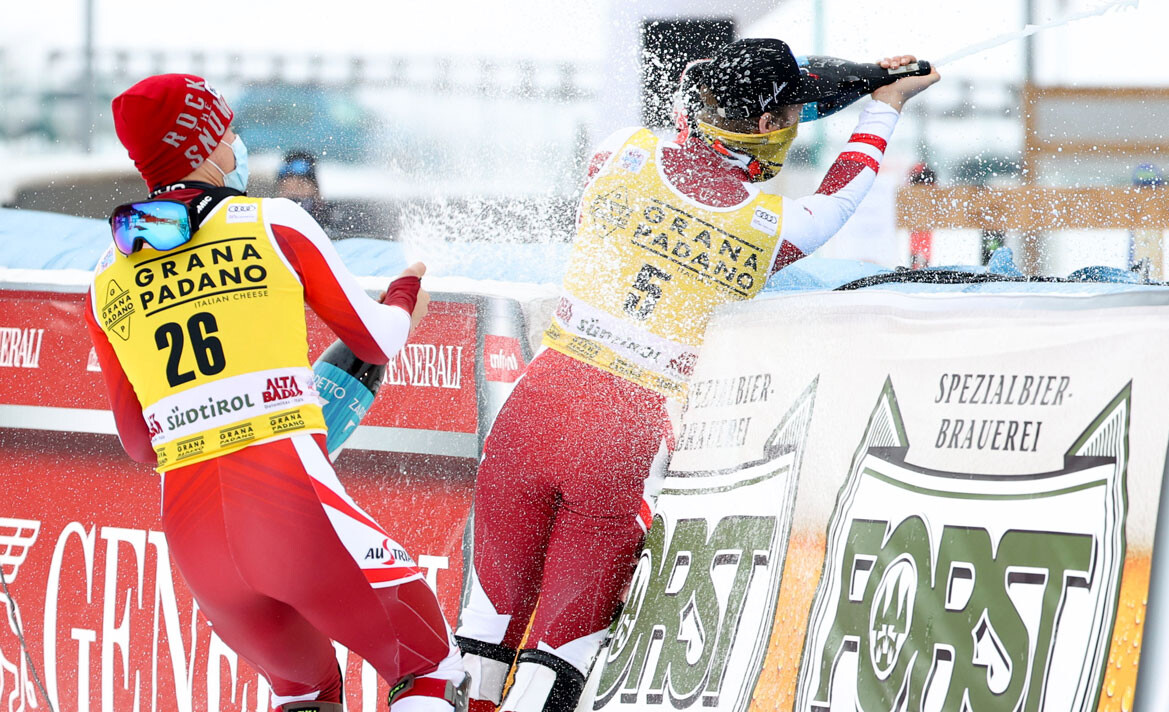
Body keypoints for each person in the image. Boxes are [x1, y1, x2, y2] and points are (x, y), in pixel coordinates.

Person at [455, 38, 938, 711]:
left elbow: (737, 110)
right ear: (771, 127)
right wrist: (881, 102)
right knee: (554, 666)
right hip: (620, 436)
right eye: (792, 114)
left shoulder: (622, 152)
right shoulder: (770, 226)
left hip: (532, 411)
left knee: (479, 641)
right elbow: (843, 189)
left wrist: (840, 81)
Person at [85, 74, 468, 712]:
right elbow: (375, 340)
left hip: (197, 541)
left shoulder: (105, 278)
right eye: (228, 133)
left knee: (308, 693)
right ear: (205, 147)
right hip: (291, 509)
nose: (237, 145)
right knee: (429, 667)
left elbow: (140, 444)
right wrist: (406, 291)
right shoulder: (273, 221)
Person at [276, 150, 333, 230]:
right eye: (286, 189)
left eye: (301, 186)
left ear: (316, 189)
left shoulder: (330, 216)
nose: (296, 193)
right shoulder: (269, 214)